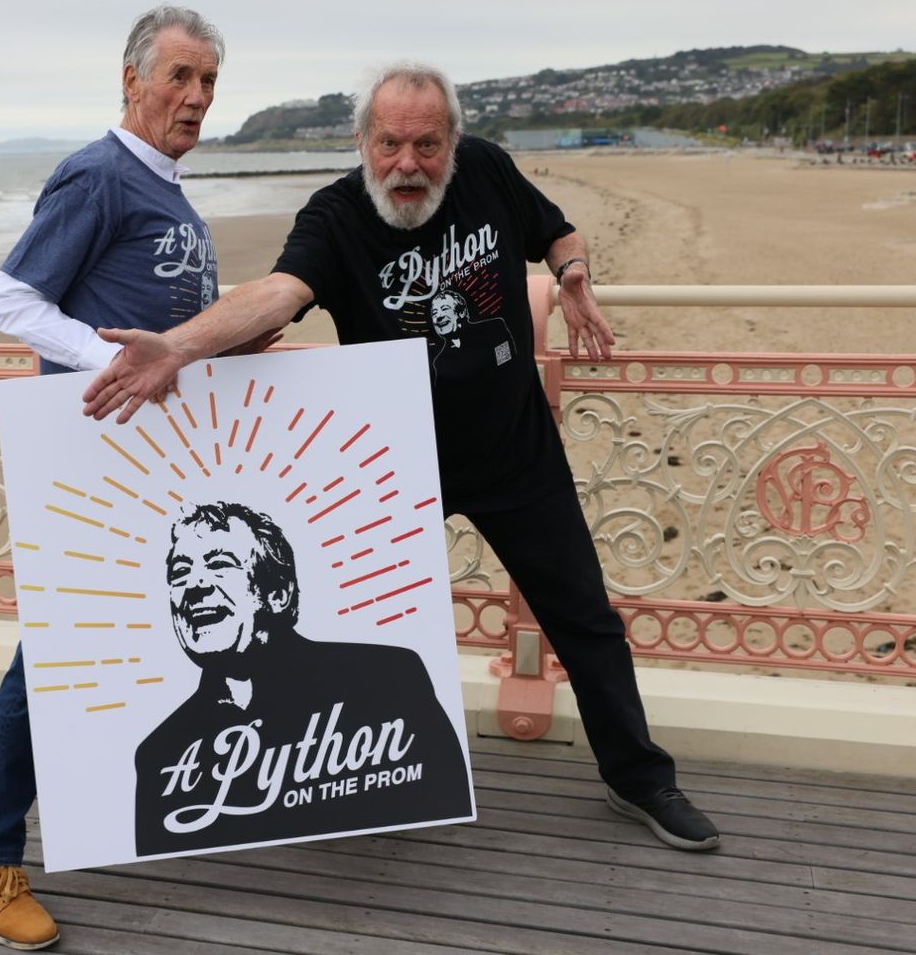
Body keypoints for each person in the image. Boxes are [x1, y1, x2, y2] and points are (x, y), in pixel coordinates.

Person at [80, 61, 722, 853]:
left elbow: (553, 230)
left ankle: (641, 778)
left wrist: (575, 274)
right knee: (359, 629)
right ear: (362, 141)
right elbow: (280, 291)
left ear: (452, 140)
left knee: (585, 618)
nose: (408, 164)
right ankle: (353, 784)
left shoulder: (486, 169)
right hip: (394, 468)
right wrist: (175, 348)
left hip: (515, 453)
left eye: (426, 144)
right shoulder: (337, 216)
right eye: (389, 144)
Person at [0, 3, 232, 951]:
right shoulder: (101, 173)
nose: (194, 98)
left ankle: (117, 807)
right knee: (50, 657)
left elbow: (166, 325)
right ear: (132, 80)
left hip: (157, 471)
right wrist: (109, 366)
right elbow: (11, 298)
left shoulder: (170, 192)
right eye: (179, 78)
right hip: (92, 462)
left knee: (124, 644)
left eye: (207, 83)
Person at [135, 501, 473, 856]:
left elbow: (441, 805)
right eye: (180, 572)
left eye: (219, 564)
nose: (195, 585)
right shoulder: (161, 753)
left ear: (278, 595)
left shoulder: (386, 677)